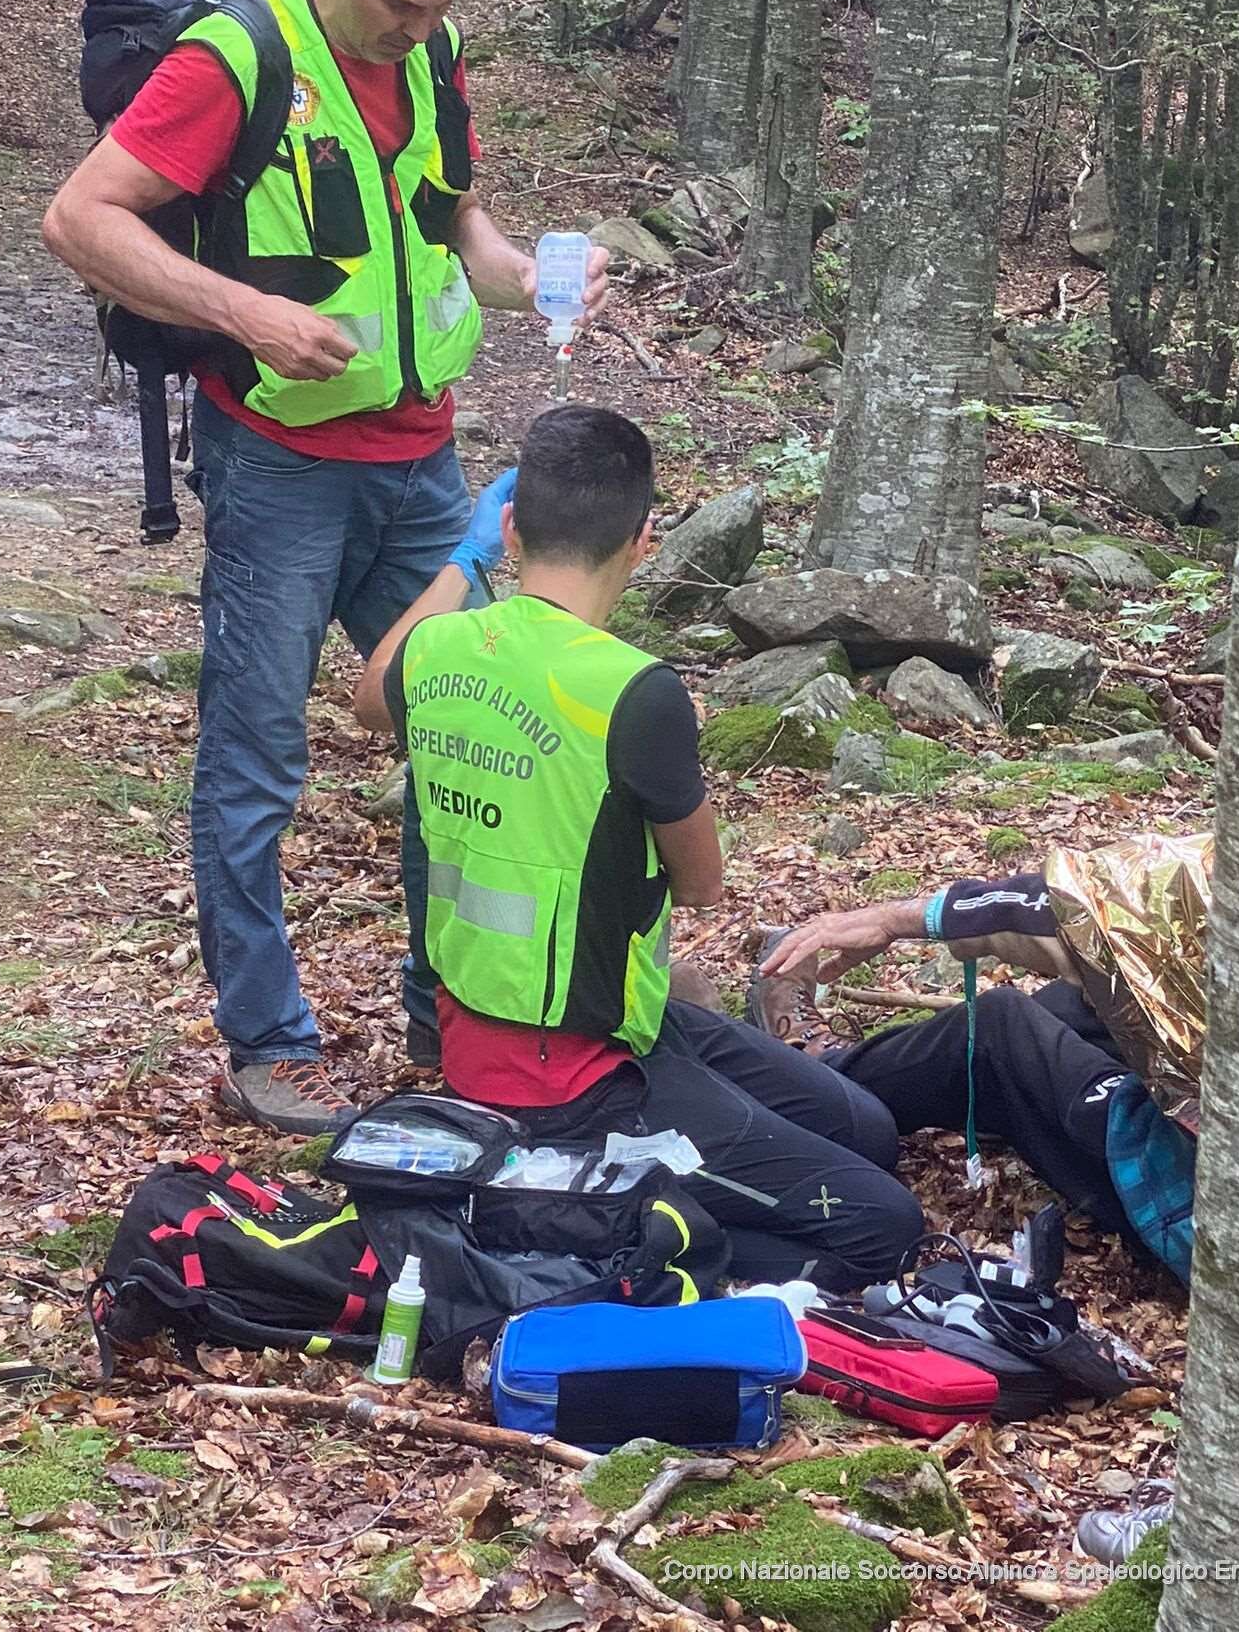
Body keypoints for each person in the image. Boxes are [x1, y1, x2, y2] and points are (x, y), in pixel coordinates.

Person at [43, 0, 608, 1137]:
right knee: (258, 758)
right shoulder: (237, 57)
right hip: (282, 462)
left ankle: (451, 1000)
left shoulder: (431, 52)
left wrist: (528, 276)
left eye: (442, 6)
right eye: (400, 4)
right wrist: (247, 313)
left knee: (466, 729)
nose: (420, 29)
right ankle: (269, 1040)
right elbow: (80, 219)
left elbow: (449, 217)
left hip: (421, 463)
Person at [354, 404, 926, 1290]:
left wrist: (463, 563)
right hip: (569, 1082)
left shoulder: (438, 648)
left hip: (607, 1017)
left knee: (869, 1128)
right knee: (882, 1228)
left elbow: (368, 695)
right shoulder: (632, 690)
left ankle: (644, 1196)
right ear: (645, 537)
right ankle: (620, 1238)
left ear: (510, 524)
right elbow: (701, 884)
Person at [751, 867, 1197, 1281]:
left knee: (998, 1028)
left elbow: (1104, 917)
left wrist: (899, 920)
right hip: (1227, 1167)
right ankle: (1010, 1104)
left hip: (1193, 1199)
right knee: (1079, 1004)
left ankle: (817, 1075)